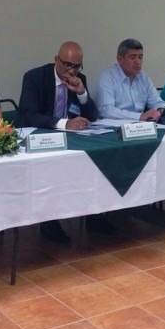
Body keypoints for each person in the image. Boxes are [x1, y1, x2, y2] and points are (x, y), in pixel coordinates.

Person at [16, 41, 106, 243]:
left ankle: (95, 214)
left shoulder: (78, 79)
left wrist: (82, 93)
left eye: (77, 66)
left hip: (70, 138)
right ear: (56, 59)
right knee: (52, 167)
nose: (72, 70)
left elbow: (93, 115)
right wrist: (65, 123)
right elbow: (29, 115)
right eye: (67, 65)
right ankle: (49, 221)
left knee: (94, 160)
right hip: (39, 136)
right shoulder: (35, 77)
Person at [94, 38, 165, 121]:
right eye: (132, 57)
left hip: (140, 126)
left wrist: (160, 109)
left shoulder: (143, 78)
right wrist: (139, 116)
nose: (138, 61)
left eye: (140, 57)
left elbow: (156, 101)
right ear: (120, 59)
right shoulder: (107, 78)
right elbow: (106, 111)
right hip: (114, 127)